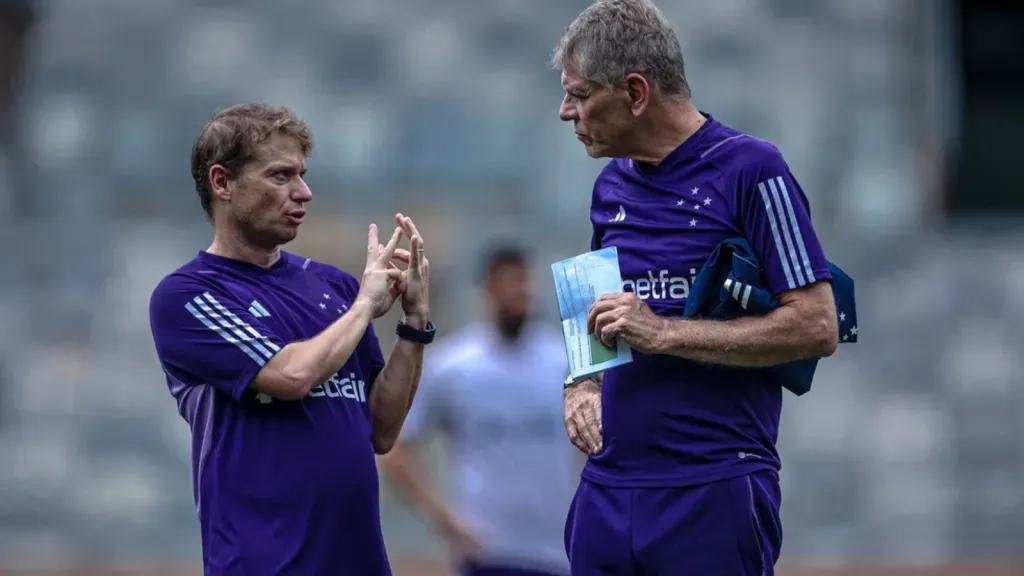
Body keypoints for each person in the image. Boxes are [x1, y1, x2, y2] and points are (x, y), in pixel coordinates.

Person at [552, 1, 840, 575]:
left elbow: (817, 325)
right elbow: (596, 310)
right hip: (609, 488)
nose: (566, 112)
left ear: (636, 93)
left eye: (580, 95)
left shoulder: (753, 169)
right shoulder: (609, 186)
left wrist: (663, 332)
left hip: (712, 485)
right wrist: (580, 384)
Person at [148, 102, 435, 576]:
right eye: (281, 176)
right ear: (222, 182)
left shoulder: (335, 286)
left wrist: (414, 323)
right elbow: (291, 375)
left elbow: (382, 430)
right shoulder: (189, 295)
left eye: (302, 175)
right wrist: (364, 307)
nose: (304, 192)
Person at [382, 244, 575, 576]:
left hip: (558, 551)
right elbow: (396, 450)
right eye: (507, 282)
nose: (517, 292)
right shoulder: (454, 365)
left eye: (523, 281)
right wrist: (445, 521)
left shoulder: (564, 362)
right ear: (487, 290)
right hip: (488, 552)